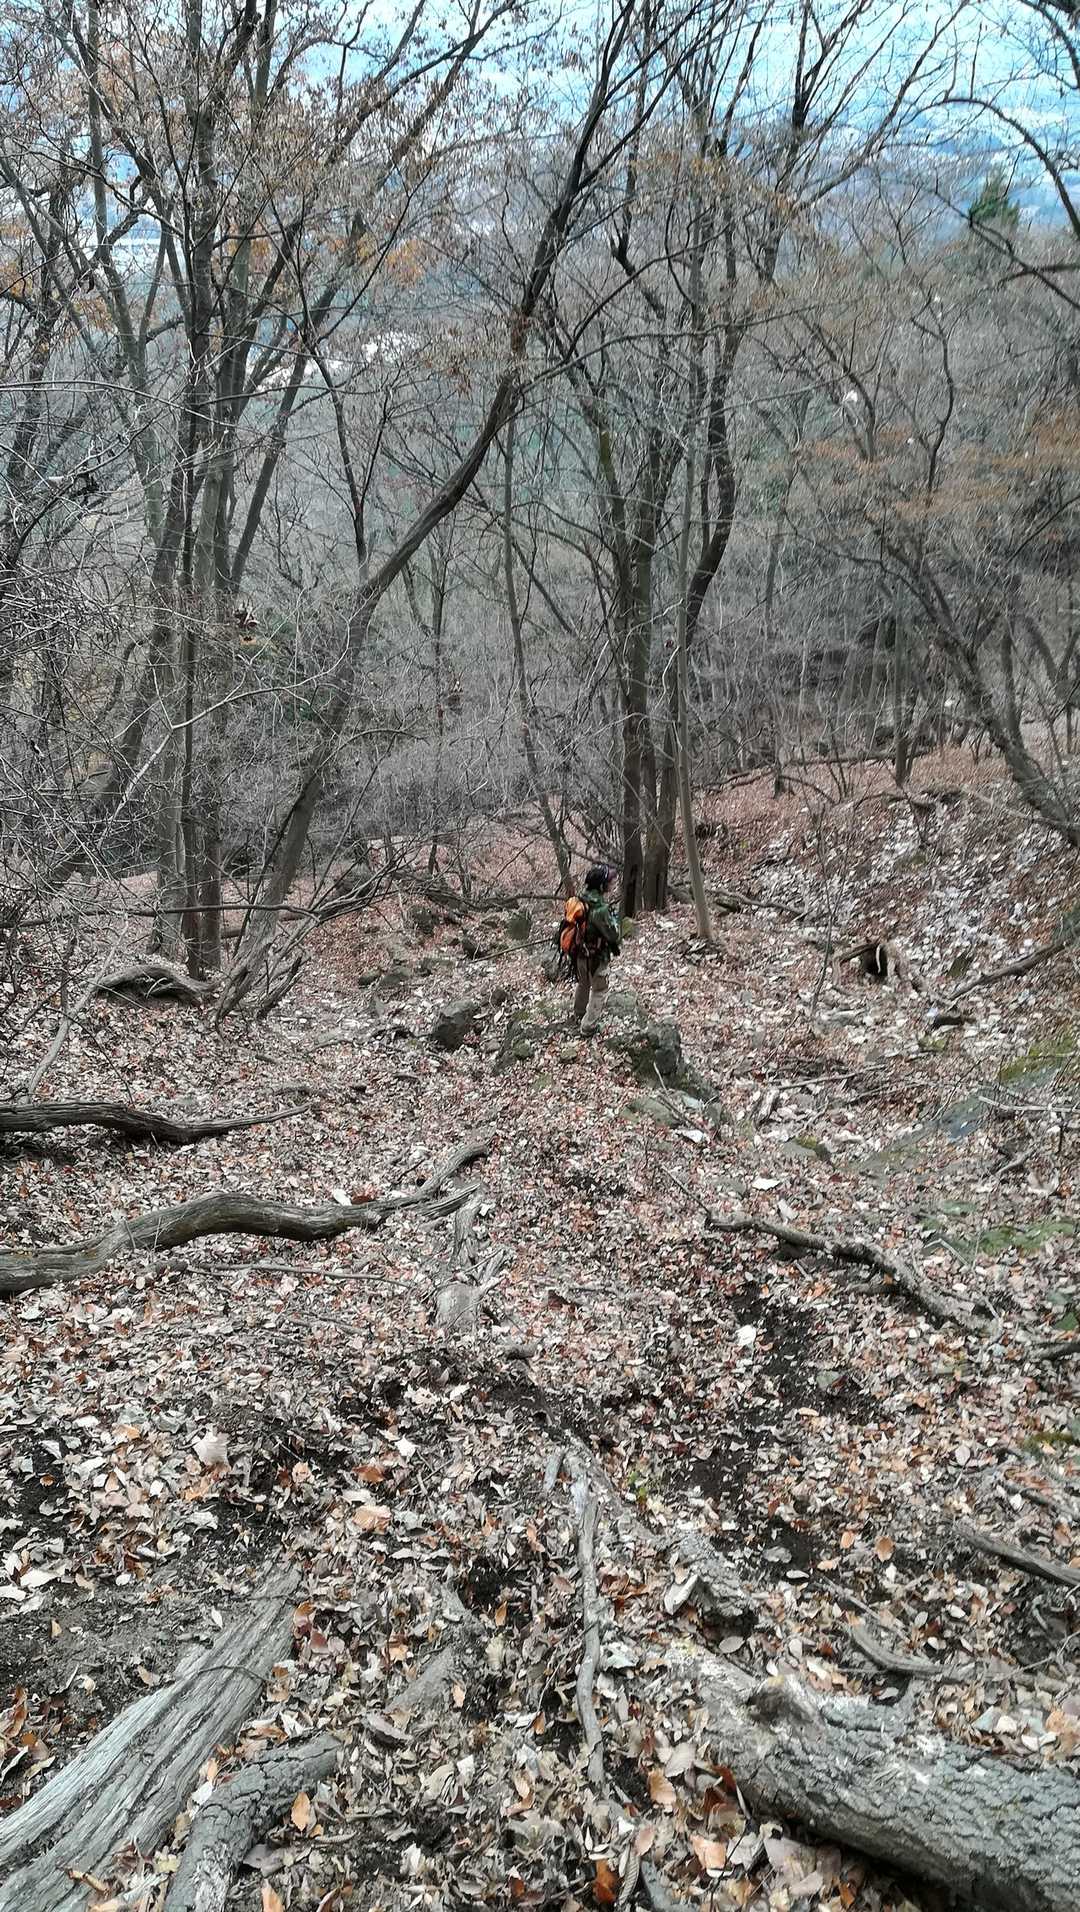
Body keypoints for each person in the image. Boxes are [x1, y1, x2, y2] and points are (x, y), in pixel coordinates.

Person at [572, 865, 621, 1034]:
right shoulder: (600, 909)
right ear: (601, 886)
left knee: (583, 983)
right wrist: (615, 919)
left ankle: (579, 1013)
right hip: (596, 957)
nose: (613, 884)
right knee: (600, 990)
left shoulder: (580, 900)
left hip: (580, 953)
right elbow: (614, 935)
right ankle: (588, 1026)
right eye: (610, 882)